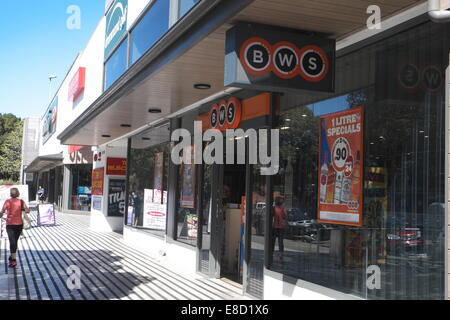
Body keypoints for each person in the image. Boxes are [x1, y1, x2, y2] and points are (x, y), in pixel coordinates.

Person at [0, 188, 30, 268]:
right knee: (14, 242)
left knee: (13, 242)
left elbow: (2, 211)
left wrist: (1, 214)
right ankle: (13, 260)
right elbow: (28, 211)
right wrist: (22, 208)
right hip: (18, 225)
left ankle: (12, 257)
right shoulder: (21, 201)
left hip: (10, 224)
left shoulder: (8, 201)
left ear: (11, 194)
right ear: (18, 193)